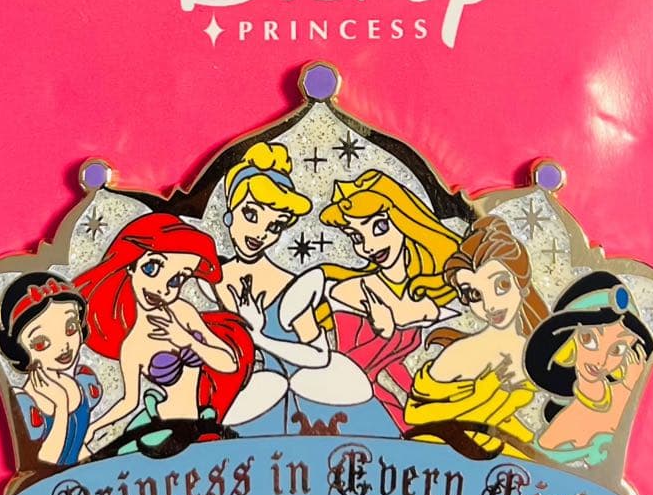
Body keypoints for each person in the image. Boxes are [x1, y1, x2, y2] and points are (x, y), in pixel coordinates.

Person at [206, 141, 381, 436]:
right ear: (229, 212)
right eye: (251, 214)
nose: (260, 233)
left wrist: (259, 337)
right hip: (253, 397)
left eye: (274, 226)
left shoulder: (290, 288)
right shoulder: (211, 280)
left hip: (309, 398)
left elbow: (320, 355)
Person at [73, 214, 252, 454]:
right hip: (160, 427)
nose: (163, 288)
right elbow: (129, 402)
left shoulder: (183, 312)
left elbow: (230, 363)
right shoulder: (133, 345)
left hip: (198, 421)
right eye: (152, 268)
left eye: (177, 279)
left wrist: (188, 340)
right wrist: (95, 427)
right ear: (131, 266)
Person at [320, 170, 461, 430]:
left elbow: (394, 364)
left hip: (389, 399)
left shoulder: (421, 292)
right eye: (356, 236)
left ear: (405, 219)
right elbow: (346, 366)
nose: (369, 246)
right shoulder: (349, 291)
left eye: (380, 227)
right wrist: (384, 332)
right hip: (353, 402)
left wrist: (425, 398)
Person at [404, 217, 548, 458]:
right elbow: (414, 415)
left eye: (501, 285)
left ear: (521, 281)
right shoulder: (460, 354)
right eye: (474, 295)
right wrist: (482, 392)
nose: (490, 305)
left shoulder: (540, 352)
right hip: (444, 461)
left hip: (509, 462)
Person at [524, 272, 653, 465]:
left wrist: (634, 388)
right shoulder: (561, 429)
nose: (601, 360)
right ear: (570, 340)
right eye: (589, 339)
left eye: (617, 349)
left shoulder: (629, 392)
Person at [0, 272, 102, 467]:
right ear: (20, 350)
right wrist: (60, 406)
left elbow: (81, 447)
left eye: (70, 328)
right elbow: (43, 464)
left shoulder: (82, 382)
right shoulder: (23, 404)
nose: (63, 346)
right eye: (41, 342)